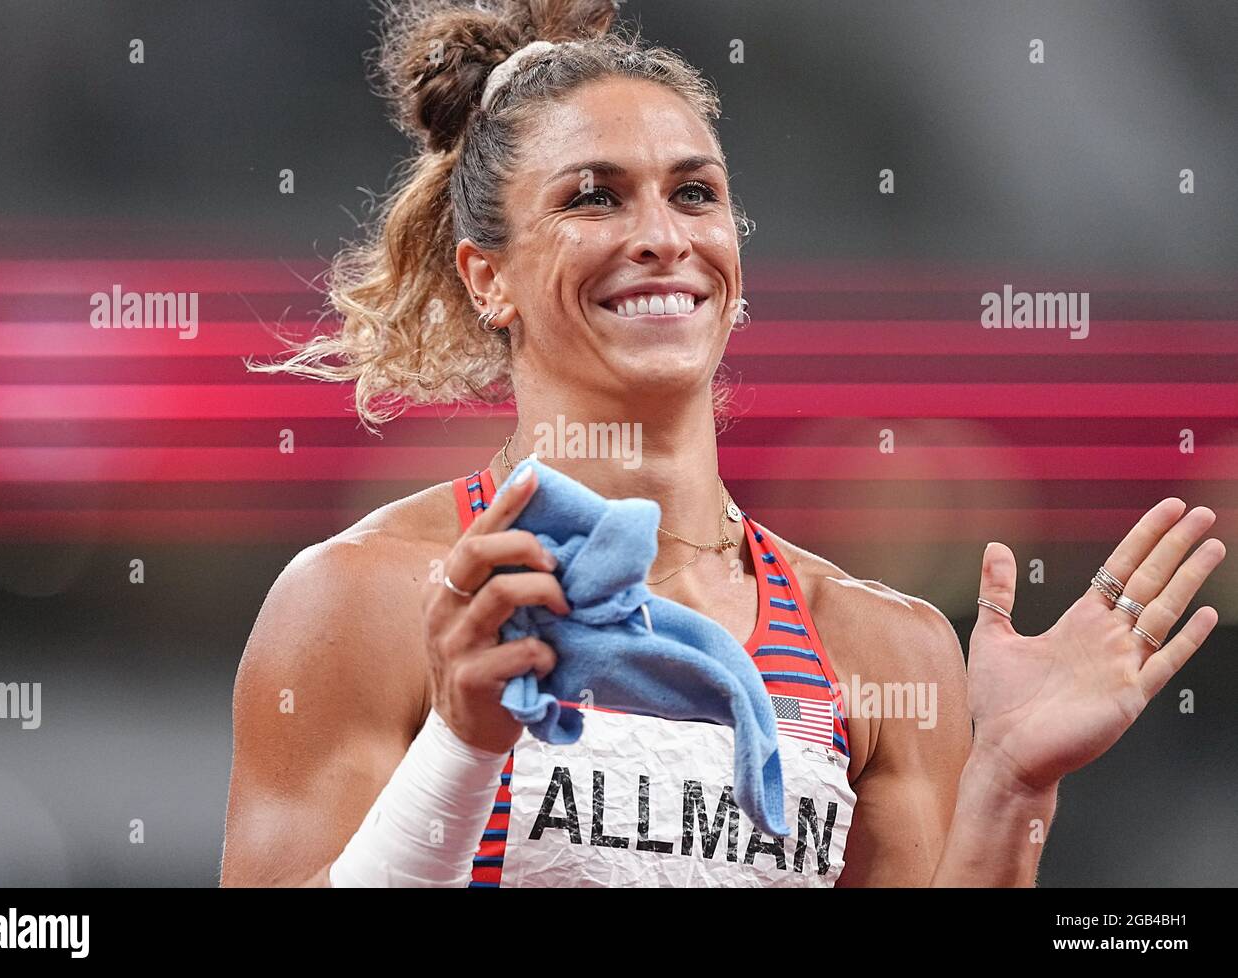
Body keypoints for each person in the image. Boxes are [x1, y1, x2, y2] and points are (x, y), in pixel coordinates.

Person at [220, 0, 1226, 887]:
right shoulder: (363, 601)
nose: (662, 235)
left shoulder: (878, 645)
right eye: (592, 197)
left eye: (692, 193)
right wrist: (463, 746)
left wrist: (1009, 784)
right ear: (488, 277)